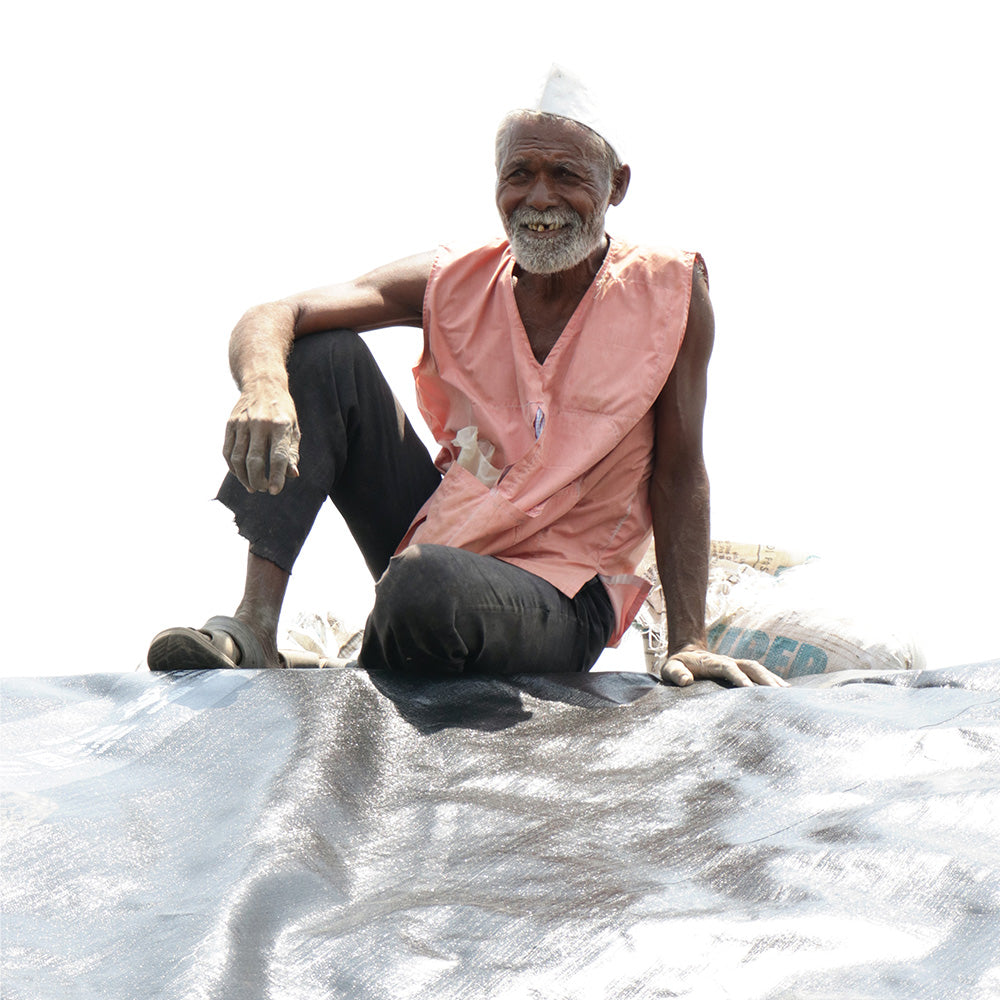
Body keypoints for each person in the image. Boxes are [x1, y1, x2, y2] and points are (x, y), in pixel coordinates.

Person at [148, 68, 785, 688]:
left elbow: (679, 470)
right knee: (321, 356)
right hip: (442, 540)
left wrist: (690, 642)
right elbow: (275, 314)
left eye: (566, 176)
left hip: (560, 591)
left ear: (617, 186)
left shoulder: (669, 290)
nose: (539, 200)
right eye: (520, 176)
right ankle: (255, 626)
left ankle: (354, 661)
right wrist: (263, 387)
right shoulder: (455, 278)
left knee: (422, 588)